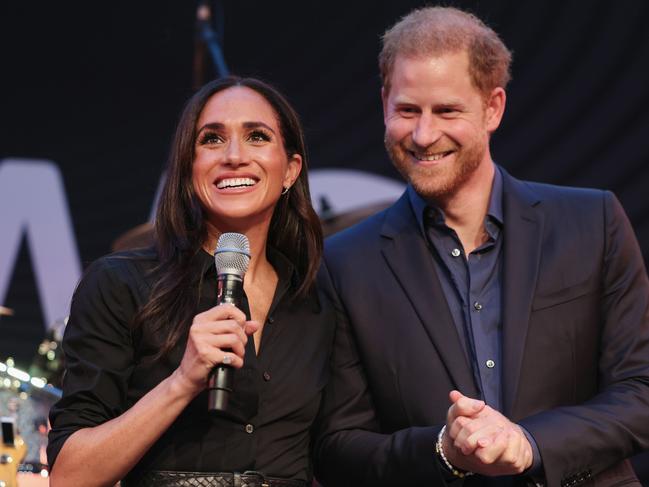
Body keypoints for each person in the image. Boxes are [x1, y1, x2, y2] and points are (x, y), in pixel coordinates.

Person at [314, 6, 649, 487]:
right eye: (408, 110)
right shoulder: (345, 263)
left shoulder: (592, 222)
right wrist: (442, 451)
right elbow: (336, 447)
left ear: (493, 107)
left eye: (447, 110)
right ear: (385, 101)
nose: (424, 135)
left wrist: (530, 443)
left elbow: (640, 392)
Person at [47, 76, 334, 487]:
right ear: (188, 168)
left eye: (256, 136)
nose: (234, 156)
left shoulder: (318, 299)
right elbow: (69, 477)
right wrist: (182, 382)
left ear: (290, 170)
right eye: (212, 140)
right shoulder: (121, 285)